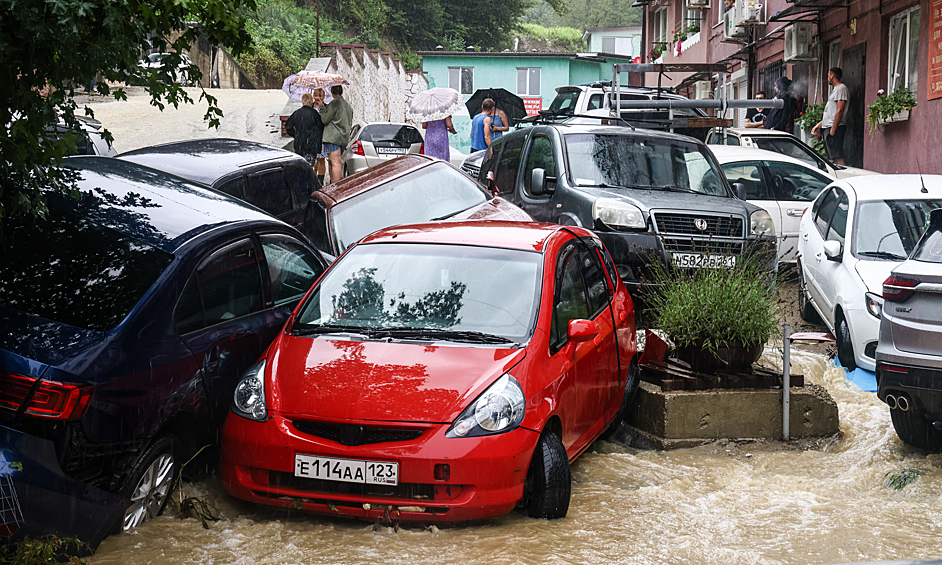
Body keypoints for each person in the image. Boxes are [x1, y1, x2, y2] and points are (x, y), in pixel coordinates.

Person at [812, 67, 849, 166]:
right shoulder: (836, 90)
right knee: (833, 157)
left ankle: (845, 178)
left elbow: (839, 110)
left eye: (828, 75)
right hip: (829, 126)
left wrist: (833, 129)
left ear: (832, 76)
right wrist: (820, 124)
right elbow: (832, 111)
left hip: (835, 128)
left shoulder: (841, 88)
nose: (827, 77)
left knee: (837, 157)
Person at [319, 84, 354, 184]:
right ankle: (333, 186)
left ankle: (336, 187)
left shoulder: (335, 103)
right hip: (343, 138)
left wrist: (322, 107)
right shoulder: (347, 105)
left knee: (335, 163)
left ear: (332, 92)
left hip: (333, 137)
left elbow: (325, 119)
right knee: (332, 162)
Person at [284, 92, 323, 171]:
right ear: (311, 101)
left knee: (300, 167)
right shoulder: (314, 113)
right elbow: (321, 127)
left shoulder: (297, 113)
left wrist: (295, 134)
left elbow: (288, 126)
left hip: (300, 144)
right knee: (309, 167)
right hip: (311, 144)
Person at [311, 88, 329, 185]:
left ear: (323, 97)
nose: (317, 98)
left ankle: (320, 181)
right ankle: (312, 177)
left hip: (322, 136)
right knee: (313, 159)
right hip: (312, 137)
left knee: (321, 160)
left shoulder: (326, 108)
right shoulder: (310, 107)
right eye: (316, 95)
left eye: (320, 96)